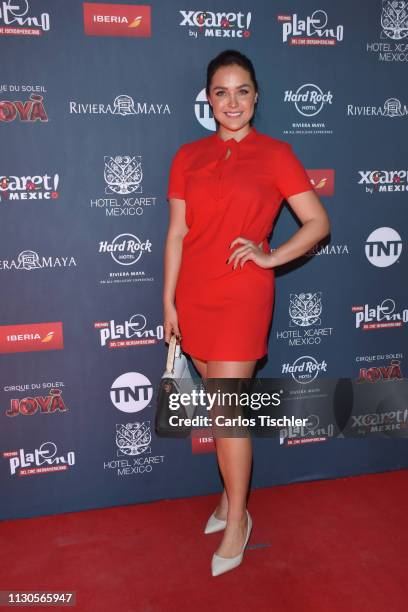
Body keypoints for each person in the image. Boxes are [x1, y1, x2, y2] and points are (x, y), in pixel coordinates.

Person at [163, 49, 330, 576]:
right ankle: (225, 502)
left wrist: (270, 255)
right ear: (208, 99)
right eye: (220, 91)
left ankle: (239, 519)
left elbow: (317, 222)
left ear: (256, 96)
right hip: (194, 295)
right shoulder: (186, 155)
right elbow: (177, 234)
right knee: (219, 412)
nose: (231, 101)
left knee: (228, 415)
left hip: (241, 296)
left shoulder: (277, 154)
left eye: (241, 91)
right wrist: (167, 301)